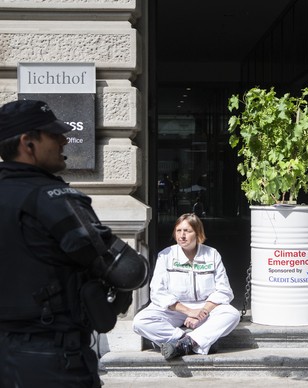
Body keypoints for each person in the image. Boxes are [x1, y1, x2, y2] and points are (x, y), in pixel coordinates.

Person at [0, 99, 149, 387]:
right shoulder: (52, 198)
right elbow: (128, 270)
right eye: (54, 134)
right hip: (51, 360)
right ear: (27, 142)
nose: (64, 140)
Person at [133, 213, 240, 360]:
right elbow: (158, 292)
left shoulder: (212, 254)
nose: (182, 236)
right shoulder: (166, 255)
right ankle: (192, 341)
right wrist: (189, 311)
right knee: (140, 321)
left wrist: (201, 312)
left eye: (187, 231)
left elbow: (224, 291)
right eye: (178, 231)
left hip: (204, 309)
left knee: (232, 314)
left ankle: (184, 344)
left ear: (198, 233)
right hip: (174, 309)